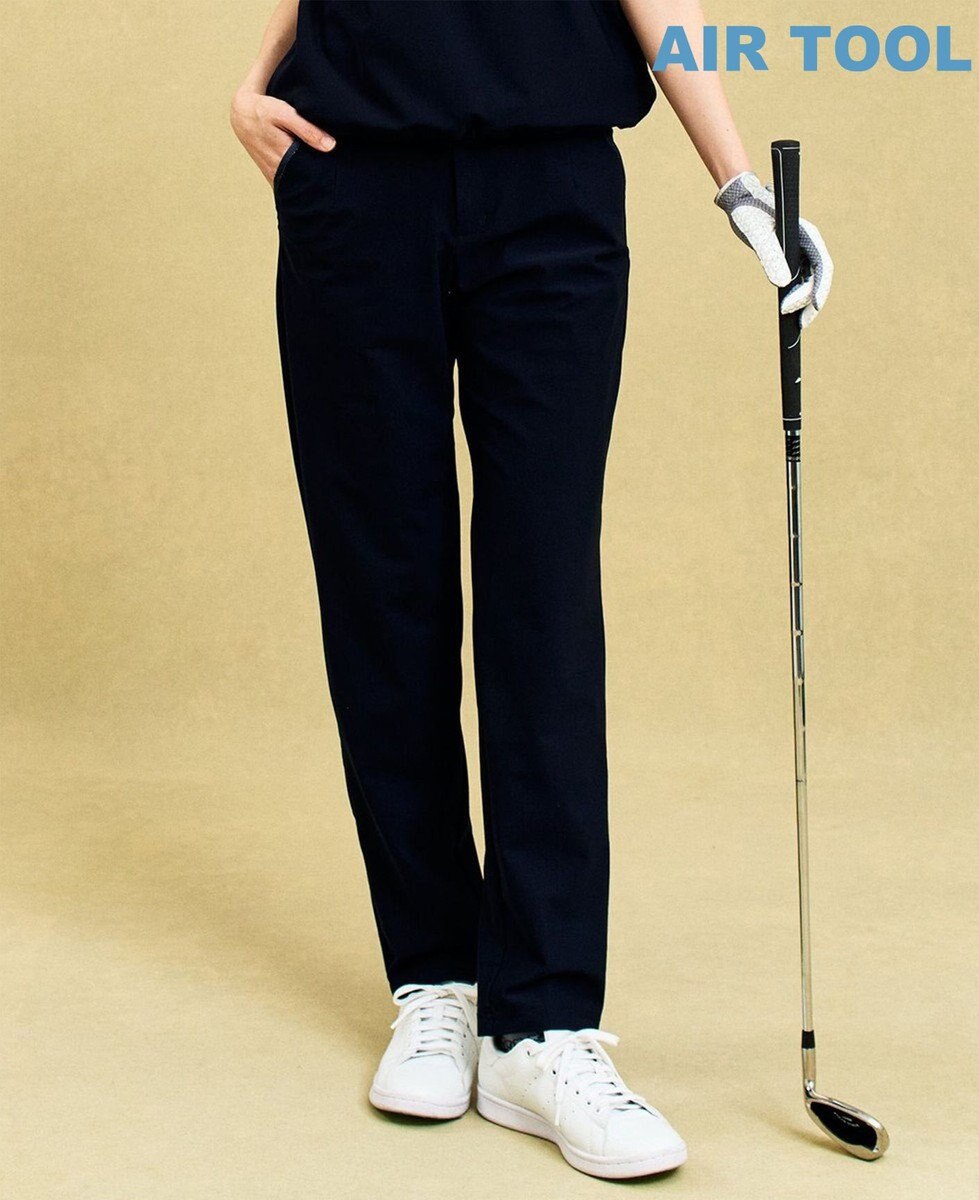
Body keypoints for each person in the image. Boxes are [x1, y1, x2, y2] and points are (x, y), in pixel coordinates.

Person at [230, 0, 832, 1180]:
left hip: (550, 191)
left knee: (541, 597)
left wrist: (734, 182)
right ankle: (435, 980)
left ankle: (542, 1022)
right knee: (382, 588)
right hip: (355, 189)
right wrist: (254, 82)